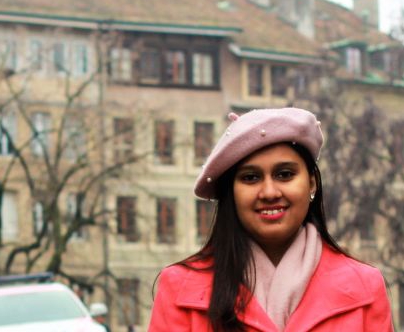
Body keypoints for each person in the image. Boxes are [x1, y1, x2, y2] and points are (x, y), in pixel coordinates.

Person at [148, 108, 394, 331]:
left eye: (285, 174)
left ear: (312, 183)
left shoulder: (365, 288)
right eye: (251, 178)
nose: (269, 192)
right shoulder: (179, 287)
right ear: (231, 192)